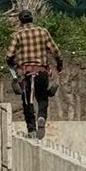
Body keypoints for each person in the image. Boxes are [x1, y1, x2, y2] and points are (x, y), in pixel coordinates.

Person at [6, 9, 63, 140]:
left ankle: (31, 129)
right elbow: (56, 51)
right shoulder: (43, 32)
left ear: (20, 21)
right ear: (32, 19)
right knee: (42, 98)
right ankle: (41, 117)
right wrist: (60, 64)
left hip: (27, 72)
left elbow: (9, 55)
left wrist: (13, 65)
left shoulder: (18, 35)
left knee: (27, 101)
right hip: (42, 71)